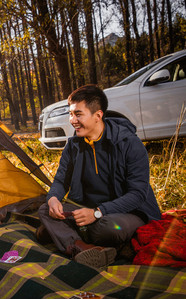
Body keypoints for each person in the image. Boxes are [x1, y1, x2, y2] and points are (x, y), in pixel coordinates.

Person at [37, 84, 162, 269]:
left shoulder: (130, 144)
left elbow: (137, 195)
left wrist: (97, 212)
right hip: (87, 209)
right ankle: (81, 246)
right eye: (71, 114)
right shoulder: (73, 146)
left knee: (108, 228)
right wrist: (54, 198)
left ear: (98, 115)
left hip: (126, 212)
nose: (72, 120)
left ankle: (64, 234)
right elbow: (60, 180)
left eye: (78, 114)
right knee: (45, 209)